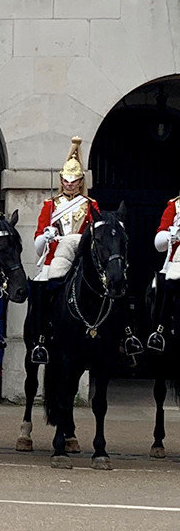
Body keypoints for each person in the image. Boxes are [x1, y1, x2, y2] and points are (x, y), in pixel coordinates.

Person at [29, 136, 142, 362]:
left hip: (83, 252)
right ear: (61, 180)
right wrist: (46, 235)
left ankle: (127, 334)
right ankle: (41, 337)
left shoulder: (91, 205)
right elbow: (37, 244)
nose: (70, 184)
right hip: (57, 253)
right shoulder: (50, 206)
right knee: (44, 286)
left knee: (116, 282)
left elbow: (97, 231)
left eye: (74, 181)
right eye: (66, 180)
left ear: (81, 181)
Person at [147, 188, 180, 352]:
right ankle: (159, 332)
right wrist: (169, 236)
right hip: (178, 261)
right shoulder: (175, 206)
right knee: (164, 287)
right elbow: (158, 243)